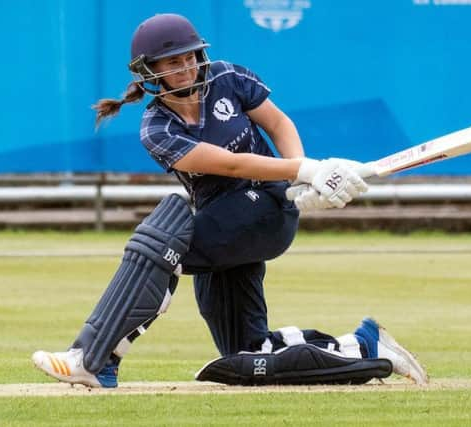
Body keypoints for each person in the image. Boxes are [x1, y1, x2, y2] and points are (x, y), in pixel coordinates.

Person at [32, 13, 427, 387]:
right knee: (250, 355)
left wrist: (302, 176)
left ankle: (93, 358)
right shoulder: (157, 128)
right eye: (173, 63)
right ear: (151, 71)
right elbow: (232, 165)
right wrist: (306, 172)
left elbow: (278, 123)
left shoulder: (228, 75)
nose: (186, 69)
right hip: (223, 226)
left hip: (264, 210)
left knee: (160, 241)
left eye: (190, 58)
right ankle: (365, 347)